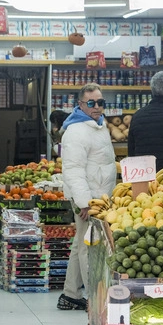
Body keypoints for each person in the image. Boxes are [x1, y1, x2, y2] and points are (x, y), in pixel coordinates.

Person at [58, 84, 116, 311]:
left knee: (80, 243)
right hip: (89, 200)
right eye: (91, 103)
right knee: (89, 247)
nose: (97, 107)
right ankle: (94, 296)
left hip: (99, 196)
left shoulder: (100, 126)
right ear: (81, 104)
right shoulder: (76, 131)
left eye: (101, 102)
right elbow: (73, 169)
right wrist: (85, 203)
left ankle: (70, 294)